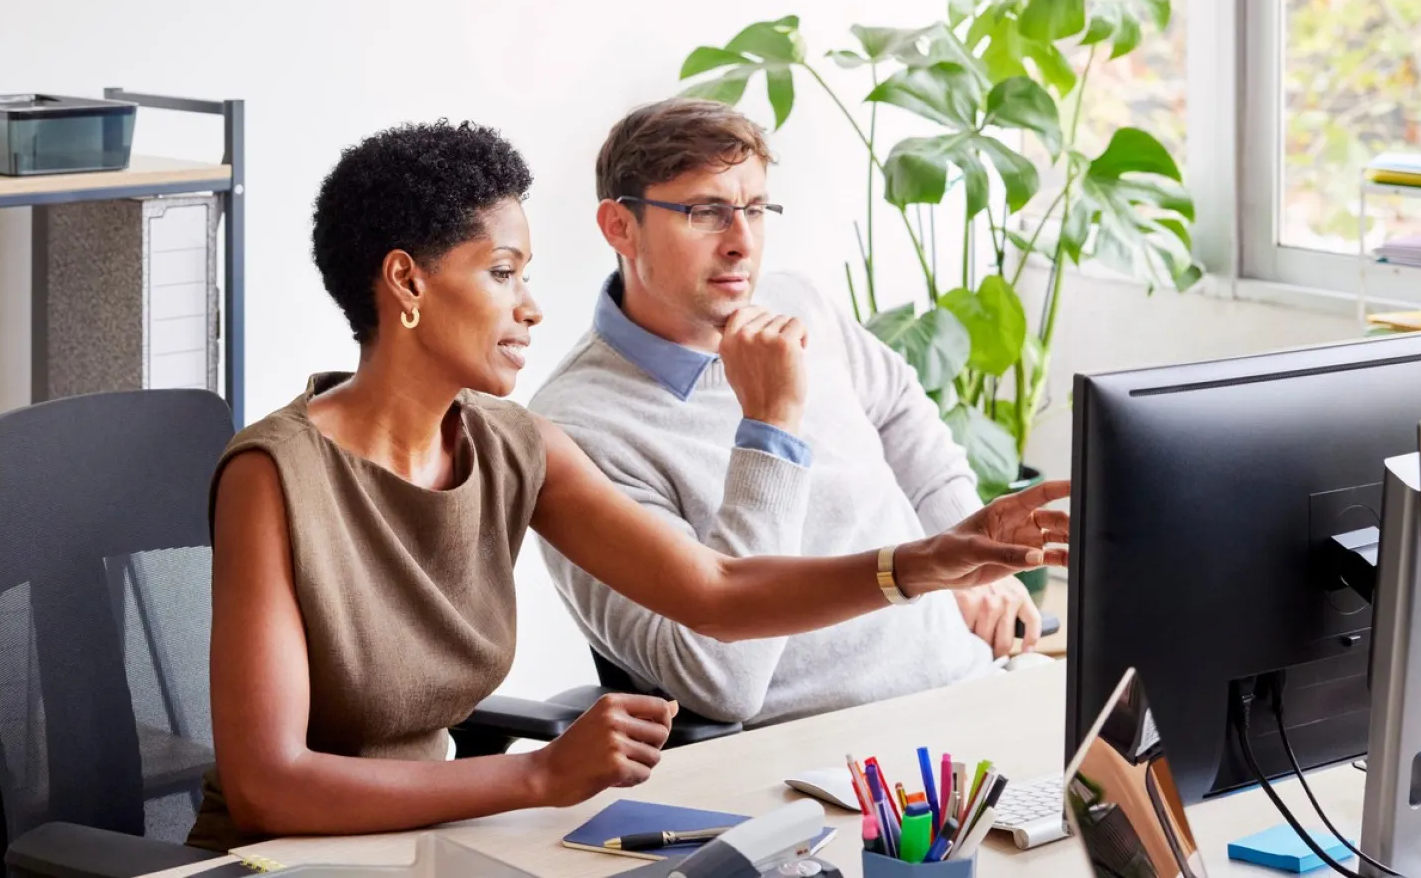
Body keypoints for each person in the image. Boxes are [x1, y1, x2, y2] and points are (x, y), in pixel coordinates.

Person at [192, 119, 1067, 850]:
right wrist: (538, 772)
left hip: (435, 841)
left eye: (526, 275)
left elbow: (716, 591)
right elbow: (269, 788)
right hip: (291, 860)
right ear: (406, 283)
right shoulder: (274, 475)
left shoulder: (513, 443)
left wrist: (929, 561)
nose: (531, 305)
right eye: (503, 274)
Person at [531, 98, 1043, 729]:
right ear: (620, 227)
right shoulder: (576, 429)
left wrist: (966, 564)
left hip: (969, 686)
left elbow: (901, 412)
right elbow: (721, 682)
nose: (741, 243)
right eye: (706, 212)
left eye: (754, 209)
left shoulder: (798, 303)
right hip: (815, 757)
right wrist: (770, 426)